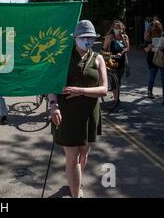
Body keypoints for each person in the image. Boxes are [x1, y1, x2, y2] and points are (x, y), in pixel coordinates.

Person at [48, 20, 107, 198]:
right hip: (68, 114)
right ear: (75, 38)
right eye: (83, 37)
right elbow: (51, 85)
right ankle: (76, 193)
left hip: (90, 114)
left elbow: (104, 89)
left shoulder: (98, 58)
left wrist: (80, 91)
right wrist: (54, 105)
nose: (87, 40)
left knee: (84, 154)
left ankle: (75, 181)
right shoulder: (62, 57)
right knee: (72, 157)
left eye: (90, 37)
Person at [144, 19, 164, 106]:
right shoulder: (149, 36)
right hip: (152, 60)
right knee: (152, 77)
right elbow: (145, 49)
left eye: (156, 26)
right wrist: (149, 48)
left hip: (163, 60)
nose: (153, 28)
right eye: (152, 26)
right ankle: (149, 91)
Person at [102, 20, 130, 85]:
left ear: (122, 28)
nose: (117, 30)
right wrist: (106, 55)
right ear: (113, 28)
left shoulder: (125, 37)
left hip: (122, 61)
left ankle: (116, 91)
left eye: (118, 28)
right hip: (112, 61)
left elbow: (128, 48)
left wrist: (121, 53)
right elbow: (104, 49)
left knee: (119, 80)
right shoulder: (109, 37)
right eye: (115, 28)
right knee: (115, 81)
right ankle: (115, 93)